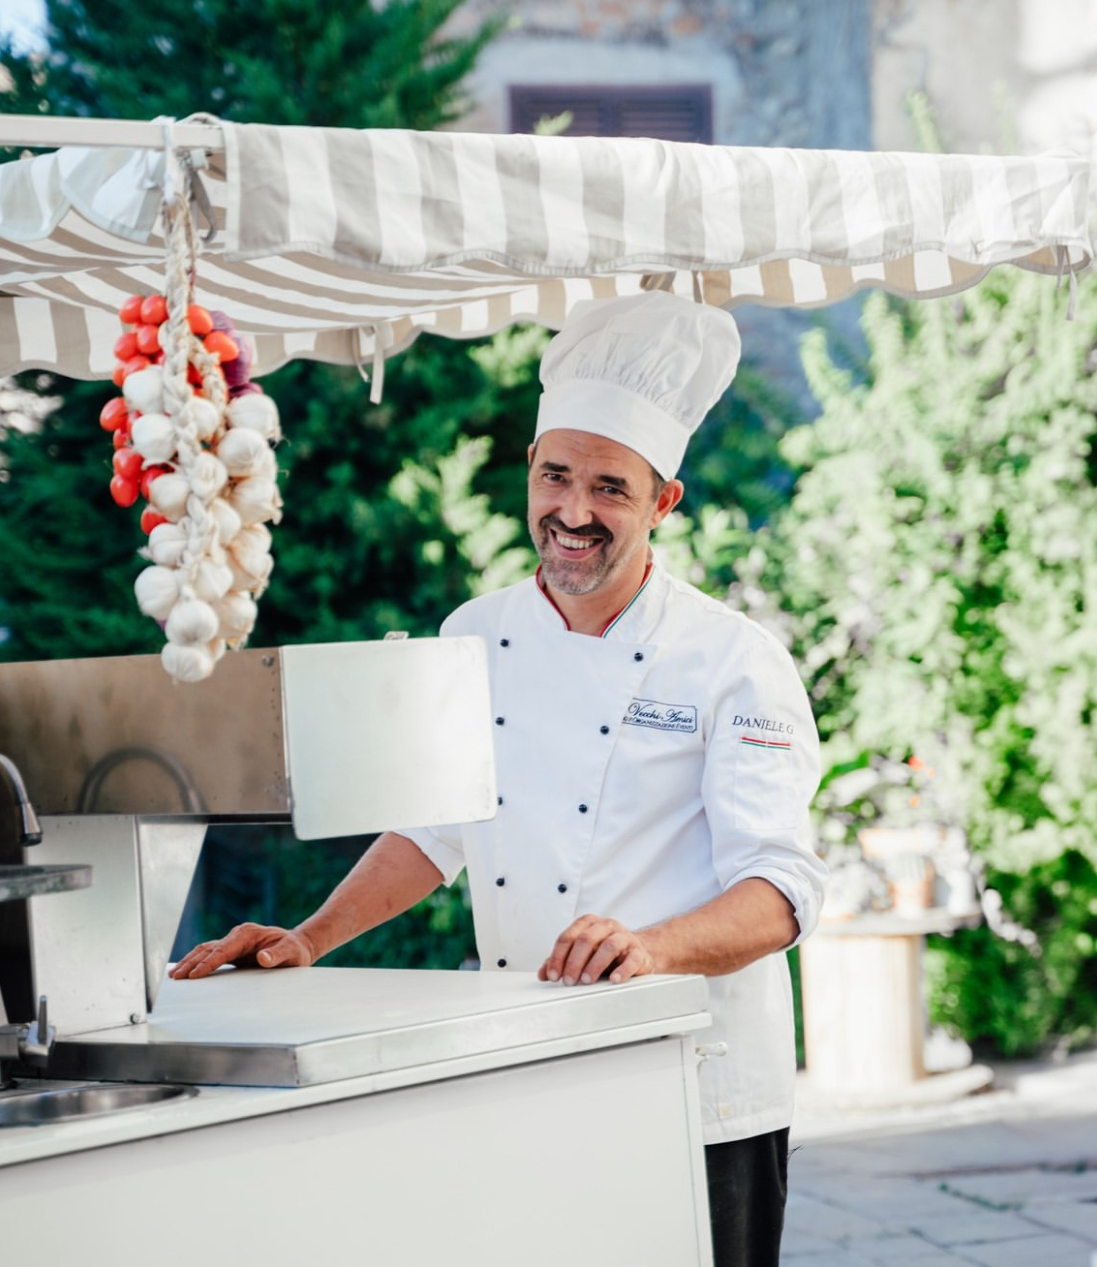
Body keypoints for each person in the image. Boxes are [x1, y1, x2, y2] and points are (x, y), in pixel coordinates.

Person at [171, 290, 827, 1266]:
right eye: (556, 475)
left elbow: (781, 892)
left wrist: (648, 948)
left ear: (664, 503)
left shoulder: (734, 660)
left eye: (610, 488)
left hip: (700, 1089)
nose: (573, 512)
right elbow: (434, 830)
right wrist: (308, 937)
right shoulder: (474, 633)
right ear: (528, 467)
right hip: (530, 1069)